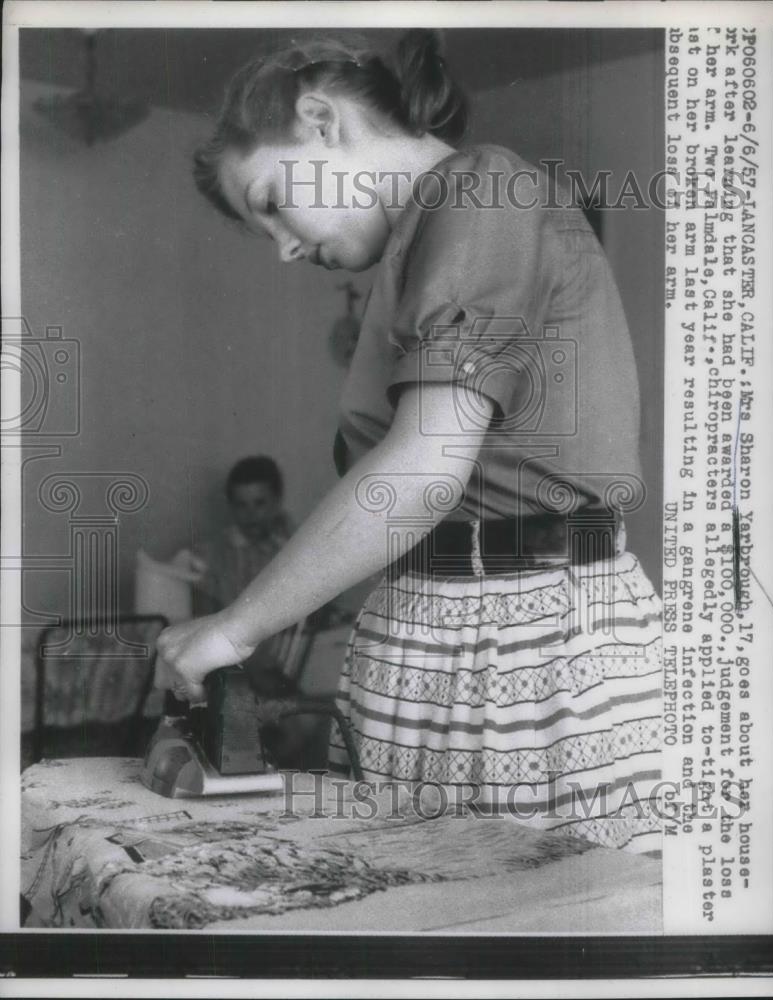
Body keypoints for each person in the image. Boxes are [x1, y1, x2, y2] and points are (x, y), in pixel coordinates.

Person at [158, 31, 662, 854]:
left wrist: (237, 625)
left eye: (272, 202)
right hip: (438, 624)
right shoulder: (420, 244)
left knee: (519, 934)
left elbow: (425, 471)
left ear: (320, 120)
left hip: (526, 641)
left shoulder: (483, 191)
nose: (284, 248)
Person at [193, 455, 293, 616]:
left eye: (259, 503)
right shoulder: (213, 555)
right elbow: (203, 615)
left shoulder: (293, 547)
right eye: (241, 505)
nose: (250, 514)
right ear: (230, 506)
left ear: (277, 502)